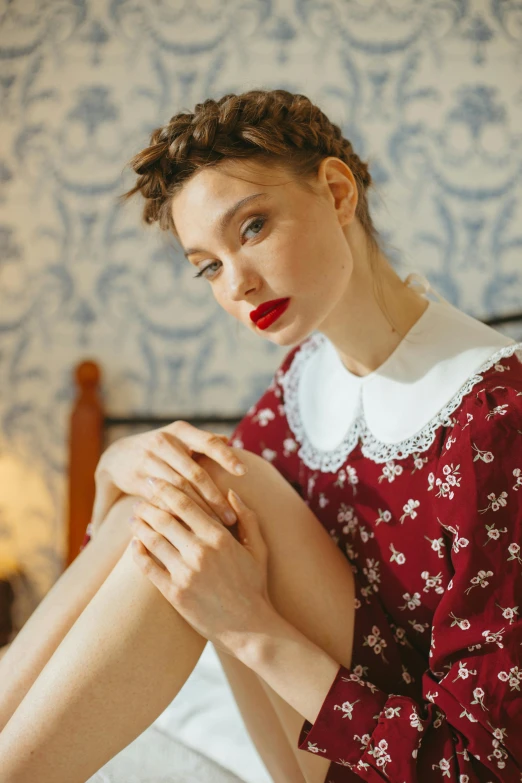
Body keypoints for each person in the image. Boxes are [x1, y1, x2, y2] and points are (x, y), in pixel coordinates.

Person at [0, 88, 521, 783]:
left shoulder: (494, 414)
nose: (237, 283)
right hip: (308, 757)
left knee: (207, 482)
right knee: (184, 481)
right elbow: (142, 546)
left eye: (252, 227)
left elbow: (482, 767)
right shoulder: (300, 387)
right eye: (208, 266)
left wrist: (249, 625)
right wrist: (112, 471)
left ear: (338, 192)